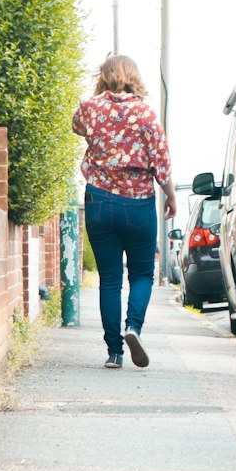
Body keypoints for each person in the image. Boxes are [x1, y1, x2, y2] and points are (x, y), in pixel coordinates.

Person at [72, 55, 176, 369]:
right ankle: (133, 327)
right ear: (134, 77)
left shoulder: (90, 108)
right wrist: (170, 197)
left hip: (99, 201)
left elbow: (76, 126)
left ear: (103, 76)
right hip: (138, 203)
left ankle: (114, 352)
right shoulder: (145, 112)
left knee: (109, 280)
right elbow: (162, 161)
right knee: (142, 274)